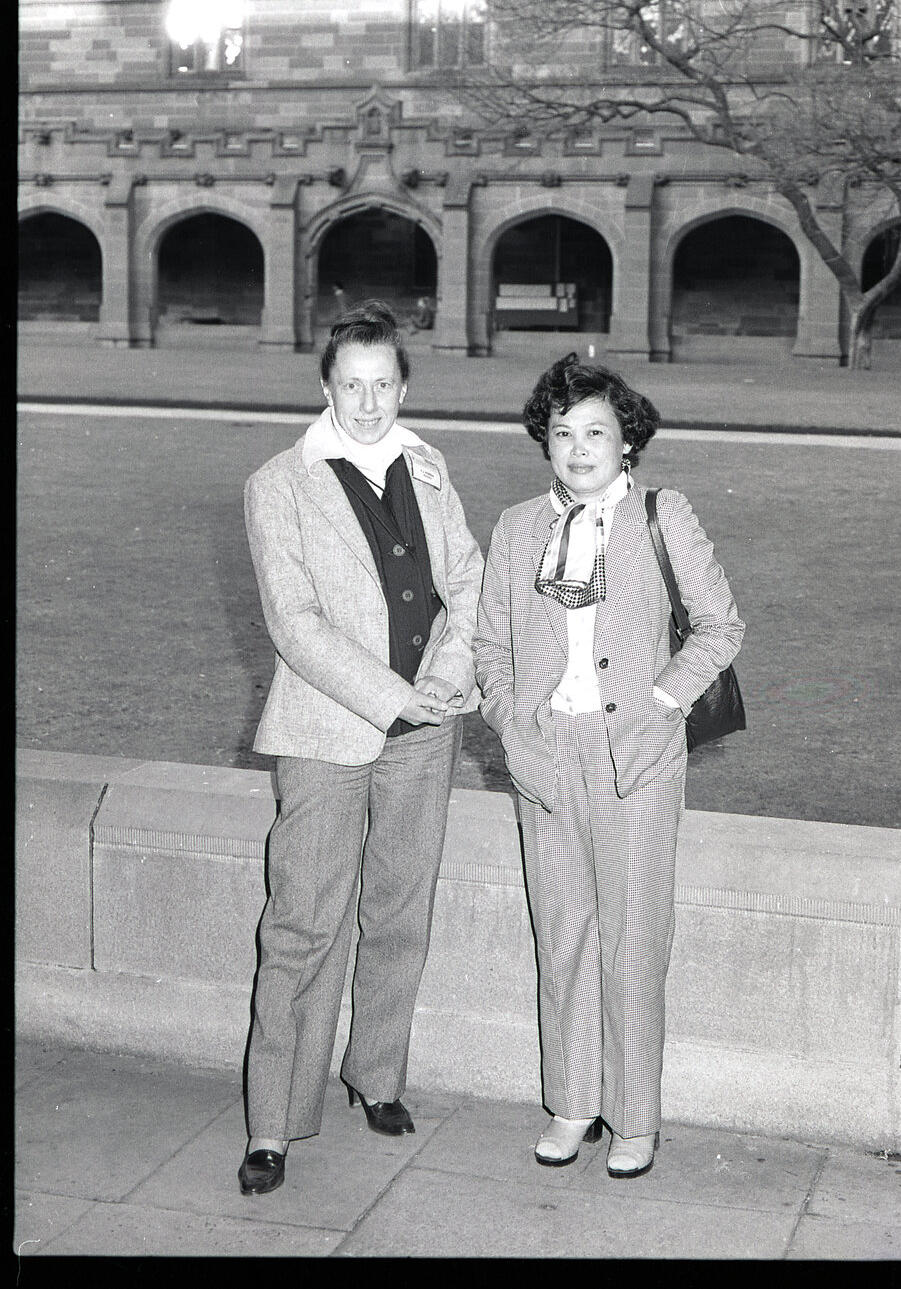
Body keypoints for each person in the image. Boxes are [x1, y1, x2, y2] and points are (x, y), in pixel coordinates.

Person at [474, 352, 744, 1180]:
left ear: (627, 441)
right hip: (545, 753)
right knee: (563, 939)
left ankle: (635, 1120)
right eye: (562, 432)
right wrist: (512, 722)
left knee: (633, 942)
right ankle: (573, 1104)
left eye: (596, 432)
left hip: (637, 758)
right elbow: (489, 646)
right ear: (544, 441)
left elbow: (719, 627)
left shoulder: (664, 515)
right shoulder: (519, 528)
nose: (579, 448)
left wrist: (661, 705)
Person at [238, 300, 483, 1196]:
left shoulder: (428, 465)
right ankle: (275, 1122)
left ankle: (377, 1076)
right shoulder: (279, 484)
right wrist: (396, 699)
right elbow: (294, 626)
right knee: (303, 926)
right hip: (326, 732)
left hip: (429, 733)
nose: (370, 401)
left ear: (403, 385)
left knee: (400, 914)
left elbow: (467, 579)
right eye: (353, 385)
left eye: (384, 384)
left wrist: (448, 681)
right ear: (327, 386)